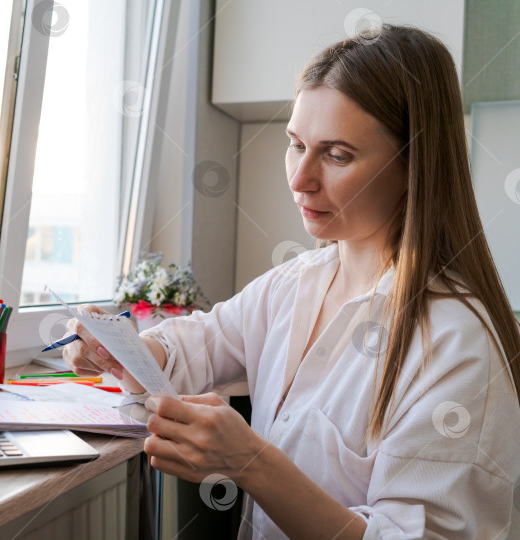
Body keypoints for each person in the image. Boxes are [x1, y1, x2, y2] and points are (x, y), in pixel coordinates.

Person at [62, 24, 520, 539]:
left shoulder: (459, 347)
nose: (300, 178)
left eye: (337, 154)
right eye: (296, 144)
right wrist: (124, 348)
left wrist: (253, 463)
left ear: (414, 164)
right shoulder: (295, 284)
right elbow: (200, 344)